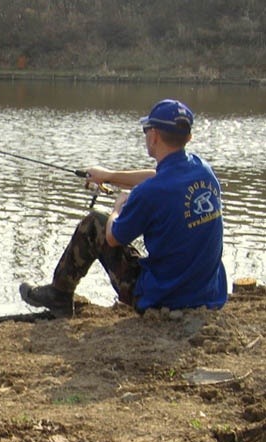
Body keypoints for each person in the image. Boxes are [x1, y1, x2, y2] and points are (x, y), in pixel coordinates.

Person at [19, 99, 226, 318]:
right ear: (189, 137)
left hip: (163, 299)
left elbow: (112, 237)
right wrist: (108, 175)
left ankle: (59, 294)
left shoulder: (148, 193)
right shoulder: (203, 170)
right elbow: (158, 177)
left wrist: (118, 206)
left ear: (154, 135)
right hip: (208, 295)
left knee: (95, 224)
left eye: (146, 130)